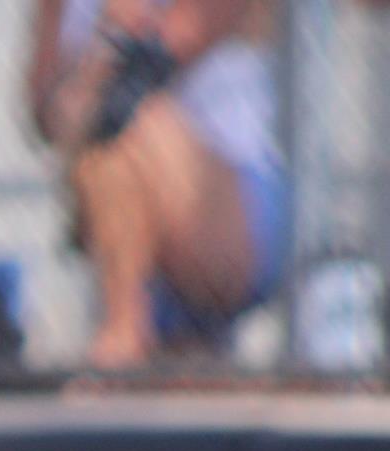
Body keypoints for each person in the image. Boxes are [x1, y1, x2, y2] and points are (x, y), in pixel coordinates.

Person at [28, 0, 288, 369]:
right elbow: (43, 110)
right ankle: (155, 340)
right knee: (101, 132)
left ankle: (123, 334)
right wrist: (84, 81)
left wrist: (107, 49)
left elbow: (154, 59)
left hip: (236, 206)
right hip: (114, 207)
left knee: (118, 125)